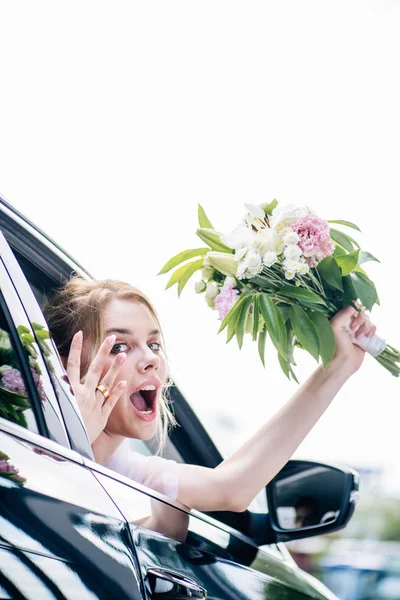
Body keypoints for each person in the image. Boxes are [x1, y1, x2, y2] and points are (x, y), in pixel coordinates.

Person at [44, 276, 376, 514]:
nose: (151, 359)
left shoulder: (133, 472)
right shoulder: (30, 453)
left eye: (154, 344)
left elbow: (231, 489)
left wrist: (339, 366)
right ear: (65, 367)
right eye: (120, 345)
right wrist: (69, 446)